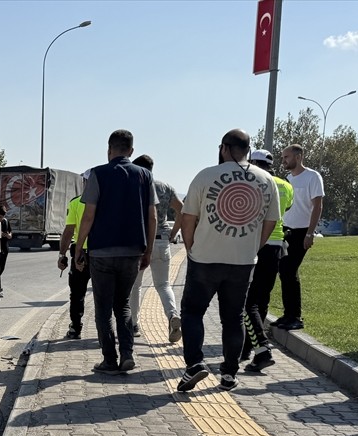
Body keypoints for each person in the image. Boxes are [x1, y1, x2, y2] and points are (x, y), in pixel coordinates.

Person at [175, 129, 280, 392]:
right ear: (247, 149)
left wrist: (191, 248)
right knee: (233, 317)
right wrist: (253, 246)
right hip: (242, 261)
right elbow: (270, 221)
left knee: (192, 312)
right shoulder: (267, 180)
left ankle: (195, 365)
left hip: (205, 258)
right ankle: (229, 374)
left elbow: (188, 218)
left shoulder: (206, 175)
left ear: (224, 148)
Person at [74, 130, 157, 375]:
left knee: (103, 307)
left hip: (101, 252)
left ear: (109, 149)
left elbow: (88, 215)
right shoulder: (144, 175)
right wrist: (148, 251)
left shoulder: (98, 174)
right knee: (123, 305)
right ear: (131, 151)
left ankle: (109, 359)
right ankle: (128, 355)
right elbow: (152, 216)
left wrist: (79, 249)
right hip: (132, 251)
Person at [240, 149, 294, 373]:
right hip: (276, 247)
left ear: (252, 162)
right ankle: (247, 351)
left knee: (246, 302)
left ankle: (261, 347)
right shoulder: (286, 185)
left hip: (255, 244)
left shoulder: (252, 180)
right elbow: (287, 207)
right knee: (261, 300)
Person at [128, 155, 184, 343]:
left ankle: (134, 324)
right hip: (162, 242)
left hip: (140, 242)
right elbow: (181, 210)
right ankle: (172, 315)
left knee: (135, 285)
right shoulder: (166, 188)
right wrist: (173, 233)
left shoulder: (135, 187)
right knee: (163, 284)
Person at [272, 144, 324, 331]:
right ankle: (288, 314)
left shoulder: (312, 177)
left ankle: (296, 317)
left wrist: (310, 233)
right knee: (284, 271)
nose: (284, 161)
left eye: (287, 157)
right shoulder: (287, 179)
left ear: (298, 156)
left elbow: (317, 206)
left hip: (302, 231)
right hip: (286, 229)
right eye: (283, 157)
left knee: (289, 269)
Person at [58, 179, 91, 339]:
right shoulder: (105, 202)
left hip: (80, 254)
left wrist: (62, 255)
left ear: (84, 183)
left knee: (77, 293)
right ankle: (105, 330)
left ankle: (75, 327)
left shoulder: (76, 202)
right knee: (104, 293)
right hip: (102, 254)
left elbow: (69, 230)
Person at [0, 207, 11, 298]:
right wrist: (0, 234)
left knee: (1, 268)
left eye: (3, 216)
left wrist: (8, 235)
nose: (1, 218)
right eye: (0, 216)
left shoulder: (6, 222)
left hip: (5, 247)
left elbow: (10, 232)